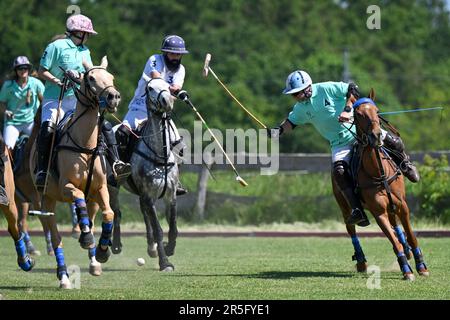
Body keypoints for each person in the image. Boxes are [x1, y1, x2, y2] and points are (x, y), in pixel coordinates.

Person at [268, 70, 420, 226]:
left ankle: (406, 165)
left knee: (395, 142)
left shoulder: (326, 88)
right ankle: (357, 210)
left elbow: (352, 88)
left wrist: (347, 110)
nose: (294, 97)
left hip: (360, 130)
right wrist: (277, 131)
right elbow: (291, 123)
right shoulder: (300, 108)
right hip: (339, 144)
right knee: (339, 173)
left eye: (296, 93)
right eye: (292, 94)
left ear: (307, 88)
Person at [35, 14, 130, 190]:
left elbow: (89, 77)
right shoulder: (56, 46)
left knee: (104, 125)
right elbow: (42, 71)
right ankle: (42, 171)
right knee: (48, 127)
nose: (88, 36)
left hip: (78, 99)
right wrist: (58, 80)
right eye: (86, 33)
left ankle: (116, 163)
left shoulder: (85, 51)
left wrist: (78, 77)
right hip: (56, 98)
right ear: (76, 32)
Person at [117, 35, 189, 195]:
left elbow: (176, 86)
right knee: (121, 133)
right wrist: (174, 90)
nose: (175, 57)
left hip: (161, 112)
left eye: (178, 54)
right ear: (165, 52)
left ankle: (176, 180)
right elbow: (157, 80)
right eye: (172, 54)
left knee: (179, 147)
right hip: (140, 107)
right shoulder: (155, 60)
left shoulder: (181, 70)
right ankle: (119, 170)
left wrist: (179, 92)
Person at [0, 56, 45, 205]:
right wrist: (5, 111)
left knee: (44, 140)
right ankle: (5, 181)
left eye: (25, 68)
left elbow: (44, 100)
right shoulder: (8, 86)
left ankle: (44, 168)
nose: (23, 71)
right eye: (20, 68)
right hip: (13, 123)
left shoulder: (36, 83)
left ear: (29, 69)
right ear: (16, 71)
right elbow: (2, 103)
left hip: (31, 122)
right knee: (6, 150)